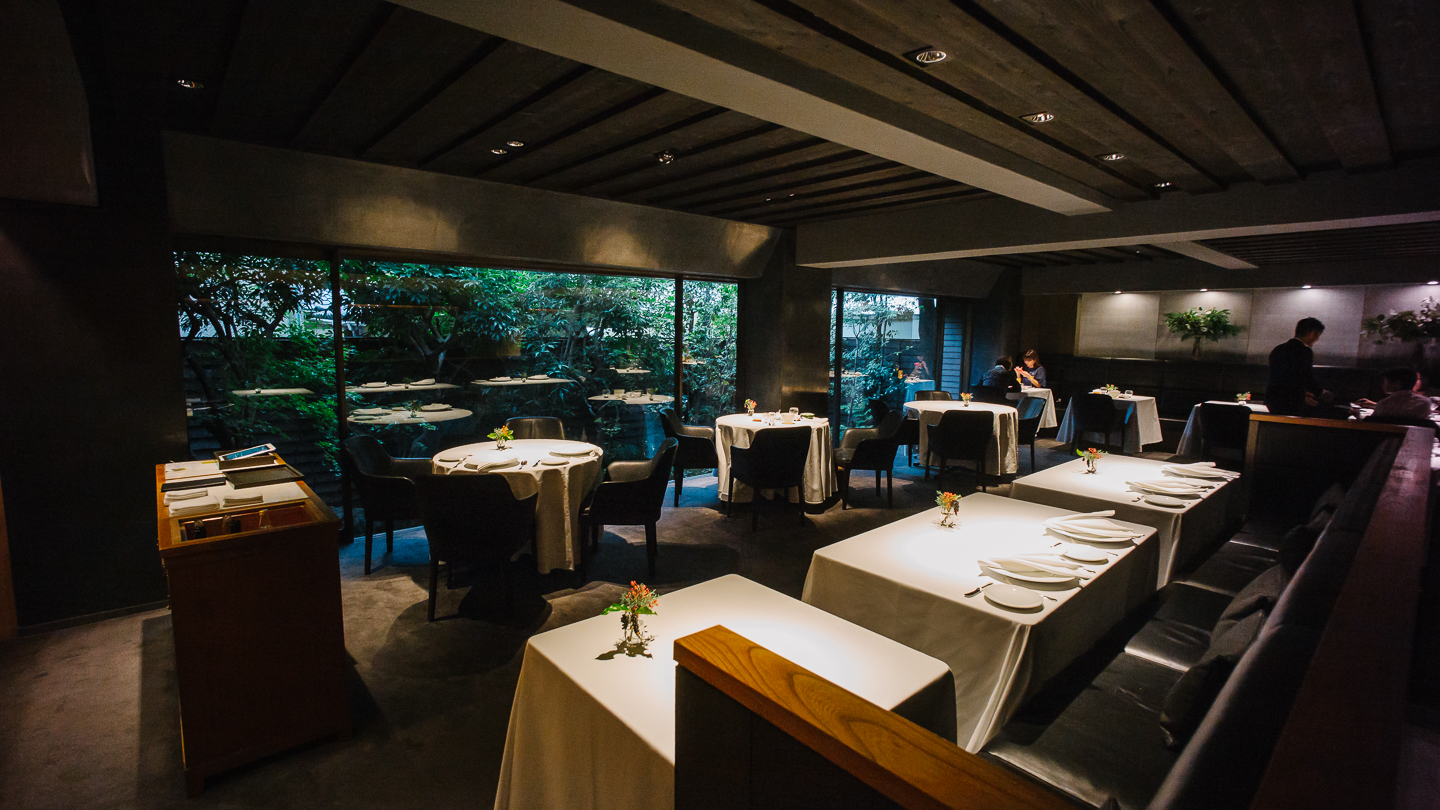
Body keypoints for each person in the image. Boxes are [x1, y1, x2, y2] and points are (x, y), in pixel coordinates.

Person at [1265, 317, 1332, 416]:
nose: (1317, 339)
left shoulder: (1278, 349)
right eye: (1317, 335)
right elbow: (1305, 377)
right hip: (1291, 403)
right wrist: (1321, 392)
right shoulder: (1304, 352)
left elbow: (1280, 378)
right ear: (1312, 333)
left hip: (1272, 398)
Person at [1357, 367, 1434, 420]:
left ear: (1397, 383)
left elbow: (1371, 424)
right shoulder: (1425, 403)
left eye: (1386, 382)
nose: (1383, 385)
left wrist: (1358, 416)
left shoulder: (1384, 405)